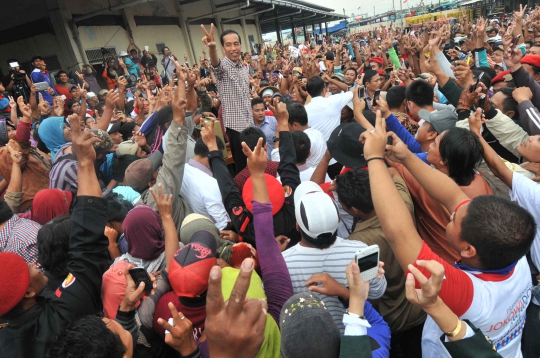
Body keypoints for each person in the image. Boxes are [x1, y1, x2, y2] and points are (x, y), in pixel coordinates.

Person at [362, 110, 535, 358]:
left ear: (467, 249)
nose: (453, 210)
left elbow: (399, 234)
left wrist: (374, 158)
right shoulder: (514, 256)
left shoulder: (472, 295)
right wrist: (407, 157)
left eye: (453, 218)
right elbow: (453, 195)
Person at [0, 114, 111, 358]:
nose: (32, 262)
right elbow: (86, 246)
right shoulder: (65, 311)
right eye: (26, 267)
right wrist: (85, 164)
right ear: (28, 293)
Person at [335, 168, 426, 356]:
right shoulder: (403, 205)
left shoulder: (357, 244)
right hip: (422, 306)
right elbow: (395, 173)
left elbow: (367, 290)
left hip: (395, 318)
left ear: (354, 210)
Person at [282, 180, 387, 333]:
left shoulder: (283, 263)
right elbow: (375, 299)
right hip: (357, 339)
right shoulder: (360, 251)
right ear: (338, 218)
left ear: (298, 225)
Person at [202, 25, 253, 173]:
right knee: (243, 167)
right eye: (228, 45)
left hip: (249, 123)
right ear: (223, 48)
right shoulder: (223, 66)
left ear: (241, 45)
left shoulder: (243, 67)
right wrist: (212, 48)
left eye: (236, 43)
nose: (233, 48)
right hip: (236, 127)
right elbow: (215, 64)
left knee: (253, 162)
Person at [180, 137, 230, 230]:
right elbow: (223, 224)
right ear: (211, 156)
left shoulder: (181, 170)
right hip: (212, 232)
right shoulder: (210, 184)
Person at [304, 76, 353, 141]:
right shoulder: (334, 101)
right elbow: (353, 90)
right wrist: (331, 80)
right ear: (324, 90)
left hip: (314, 147)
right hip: (333, 146)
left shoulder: (304, 109)